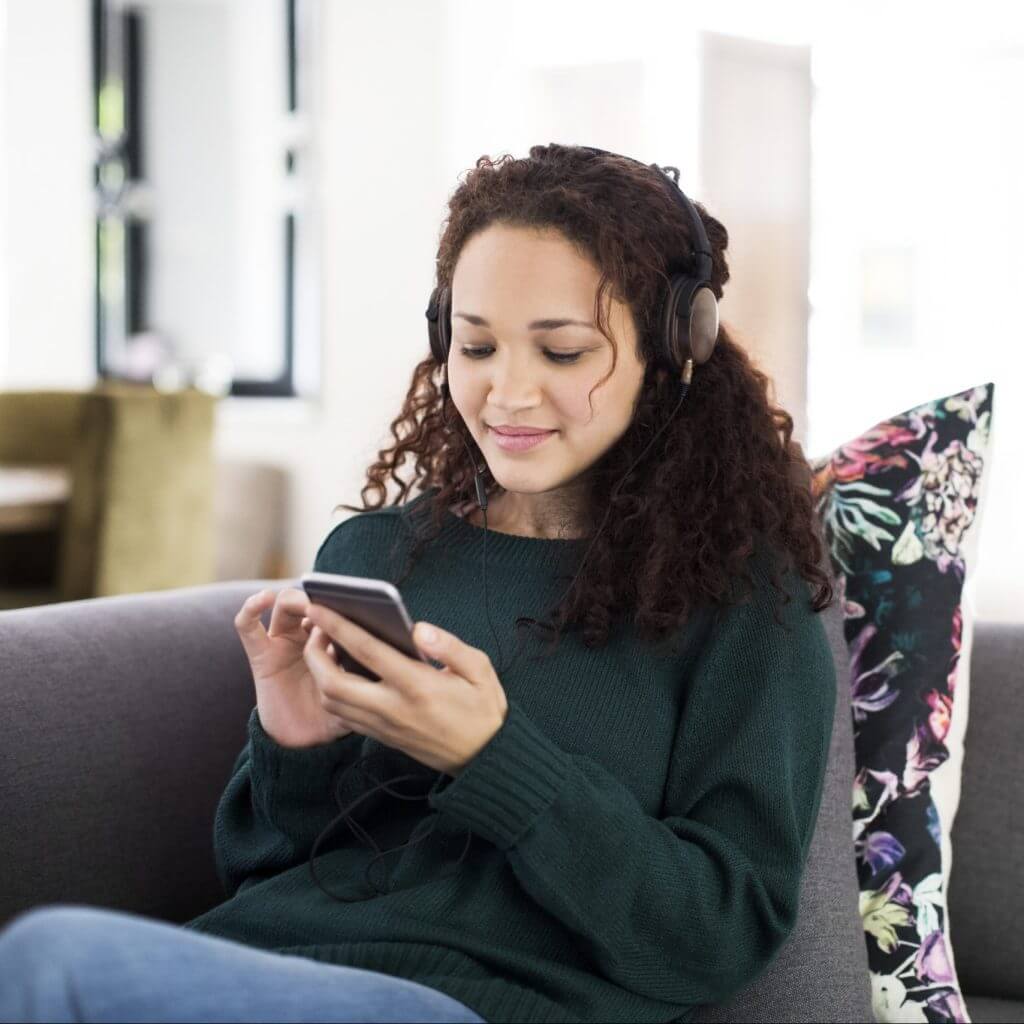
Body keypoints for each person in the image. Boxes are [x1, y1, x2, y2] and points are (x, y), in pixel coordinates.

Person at [0, 143, 836, 1024]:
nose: (506, 392)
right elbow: (263, 873)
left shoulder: (745, 604)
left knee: (51, 959)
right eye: (476, 345)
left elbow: (717, 934)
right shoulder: (373, 555)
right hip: (266, 967)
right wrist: (296, 743)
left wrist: (491, 755)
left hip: (481, 1007)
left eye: (561, 353)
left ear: (675, 348)